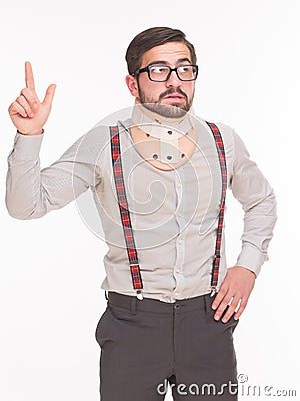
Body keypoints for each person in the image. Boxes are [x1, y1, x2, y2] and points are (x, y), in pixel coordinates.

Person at [6, 27, 277, 400]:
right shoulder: (103, 142)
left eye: (185, 69)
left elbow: (261, 200)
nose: (174, 81)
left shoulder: (222, 139)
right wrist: (30, 136)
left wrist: (248, 266)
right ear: (132, 84)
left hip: (208, 323)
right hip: (133, 325)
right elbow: (26, 205)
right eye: (158, 71)